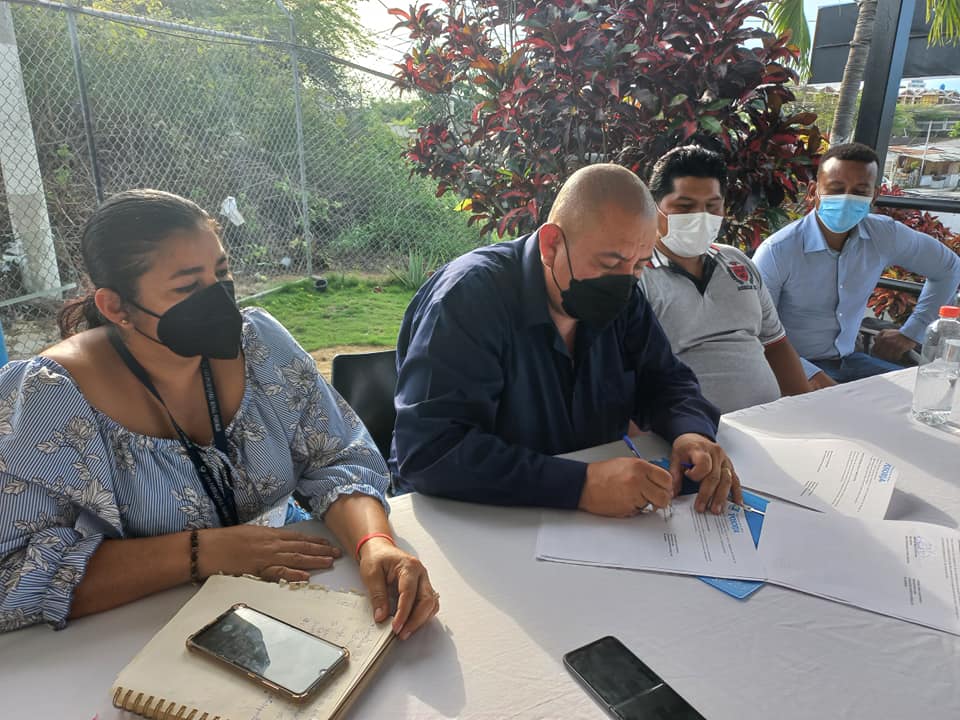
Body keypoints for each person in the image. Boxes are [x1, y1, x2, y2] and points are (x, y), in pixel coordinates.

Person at [0, 190, 438, 636]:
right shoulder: (49, 397)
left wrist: (374, 543)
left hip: (282, 598)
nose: (219, 299)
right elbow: (10, 577)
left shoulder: (259, 344)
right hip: (139, 631)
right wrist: (202, 553)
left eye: (222, 272)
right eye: (188, 287)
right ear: (116, 307)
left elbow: (336, 457)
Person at [390, 164, 743, 518]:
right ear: (551, 245)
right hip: (465, 517)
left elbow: (666, 379)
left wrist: (690, 433)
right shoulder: (469, 299)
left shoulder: (623, 299)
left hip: (582, 520)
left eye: (639, 265)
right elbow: (429, 452)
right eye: (610, 262)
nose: (625, 282)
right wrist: (581, 485)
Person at [622, 145, 811, 413]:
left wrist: (804, 408)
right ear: (654, 208)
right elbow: (624, 373)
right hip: (687, 429)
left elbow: (776, 345)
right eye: (684, 207)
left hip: (767, 421)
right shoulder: (635, 276)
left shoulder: (737, 263)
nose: (700, 217)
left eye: (712, 207)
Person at [753, 142, 960, 386]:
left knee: (929, 390)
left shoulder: (884, 235)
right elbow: (756, 332)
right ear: (813, 191)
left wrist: (913, 332)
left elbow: (949, 268)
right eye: (836, 188)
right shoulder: (778, 252)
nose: (846, 198)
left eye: (860, 191)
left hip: (851, 361)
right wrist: (811, 377)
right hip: (792, 367)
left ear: (874, 196)